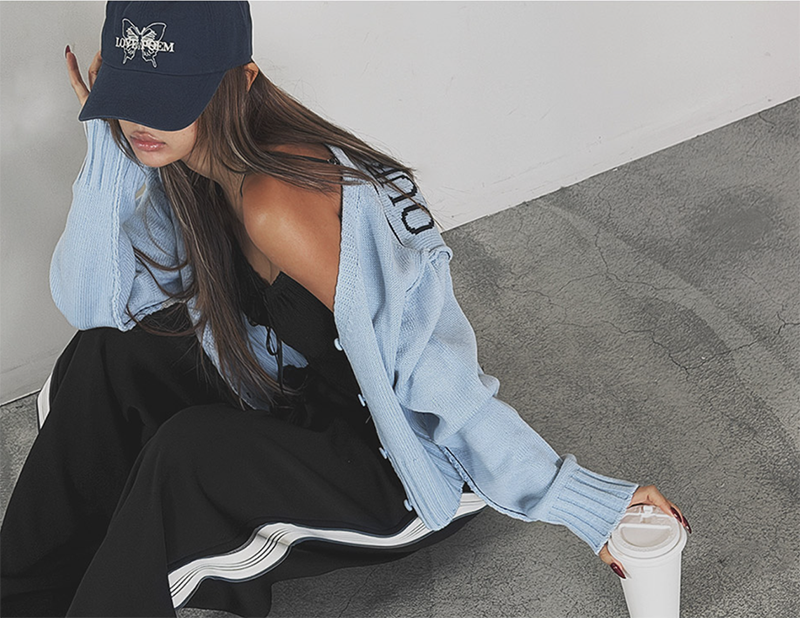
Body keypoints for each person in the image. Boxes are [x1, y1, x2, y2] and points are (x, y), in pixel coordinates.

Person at [0, 2, 690, 617]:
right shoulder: (185, 175)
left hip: (391, 465)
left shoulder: (277, 203)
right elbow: (94, 305)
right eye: (129, 94)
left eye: (166, 97)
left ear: (241, 81)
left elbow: (431, 370)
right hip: (286, 402)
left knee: (186, 456)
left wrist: (579, 500)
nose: (141, 120)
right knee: (107, 355)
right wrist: (108, 152)